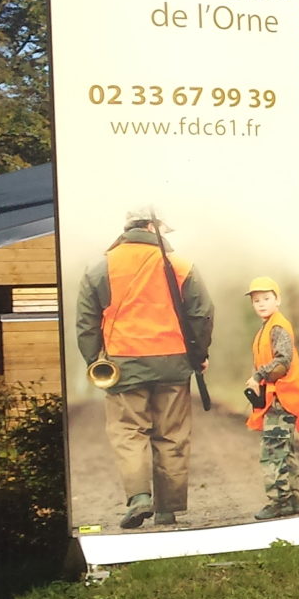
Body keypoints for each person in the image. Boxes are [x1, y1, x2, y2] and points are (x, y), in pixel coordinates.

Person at [74, 207, 213, 529]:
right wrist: (199, 354)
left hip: (123, 364)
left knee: (128, 433)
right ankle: (167, 509)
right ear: (151, 226)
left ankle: (139, 498)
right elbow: (202, 313)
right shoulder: (181, 265)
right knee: (172, 435)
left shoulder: (101, 267)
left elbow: (86, 322)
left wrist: (94, 360)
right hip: (173, 363)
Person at [243, 277, 299, 520]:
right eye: (256, 300)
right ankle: (291, 501)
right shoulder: (267, 327)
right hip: (278, 399)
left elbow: (283, 361)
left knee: (272, 452)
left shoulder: (278, 327)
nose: (261, 304)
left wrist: (258, 376)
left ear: (278, 300)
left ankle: (278, 501)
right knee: (284, 450)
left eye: (266, 299)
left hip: (283, 399)